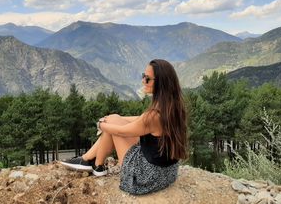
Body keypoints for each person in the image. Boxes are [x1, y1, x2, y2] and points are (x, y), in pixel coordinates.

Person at [61, 59, 188, 195]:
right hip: (167, 173)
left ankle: (93, 163)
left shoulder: (153, 116)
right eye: (143, 76)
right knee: (114, 120)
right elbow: (140, 121)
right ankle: (90, 161)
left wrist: (102, 125)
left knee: (113, 127)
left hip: (145, 178)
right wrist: (117, 118)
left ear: (160, 83)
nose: (143, 81)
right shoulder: (172, 108)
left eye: (147, 79)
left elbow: (122, 132)